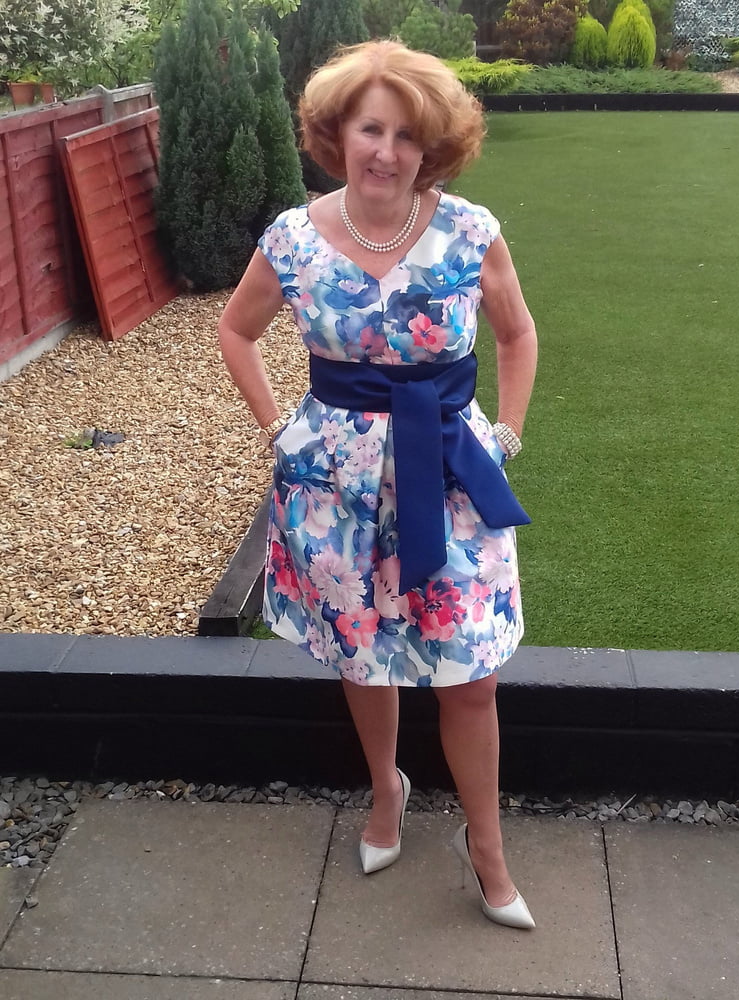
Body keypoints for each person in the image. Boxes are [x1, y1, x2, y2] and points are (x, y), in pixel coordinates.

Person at [218, 39, 538, 929]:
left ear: (432, 146)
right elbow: (236, 331)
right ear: (337, 133)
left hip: (452, 475)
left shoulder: (470, 232)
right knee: (364, 656)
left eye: (406, 135)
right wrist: (278, 428)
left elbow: (516, 333)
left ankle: (486, 848)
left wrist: (507, 433)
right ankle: (386, 792)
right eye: (370, 129)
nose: (386, 152)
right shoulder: (292, 239)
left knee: (472, 676)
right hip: (336, 488)